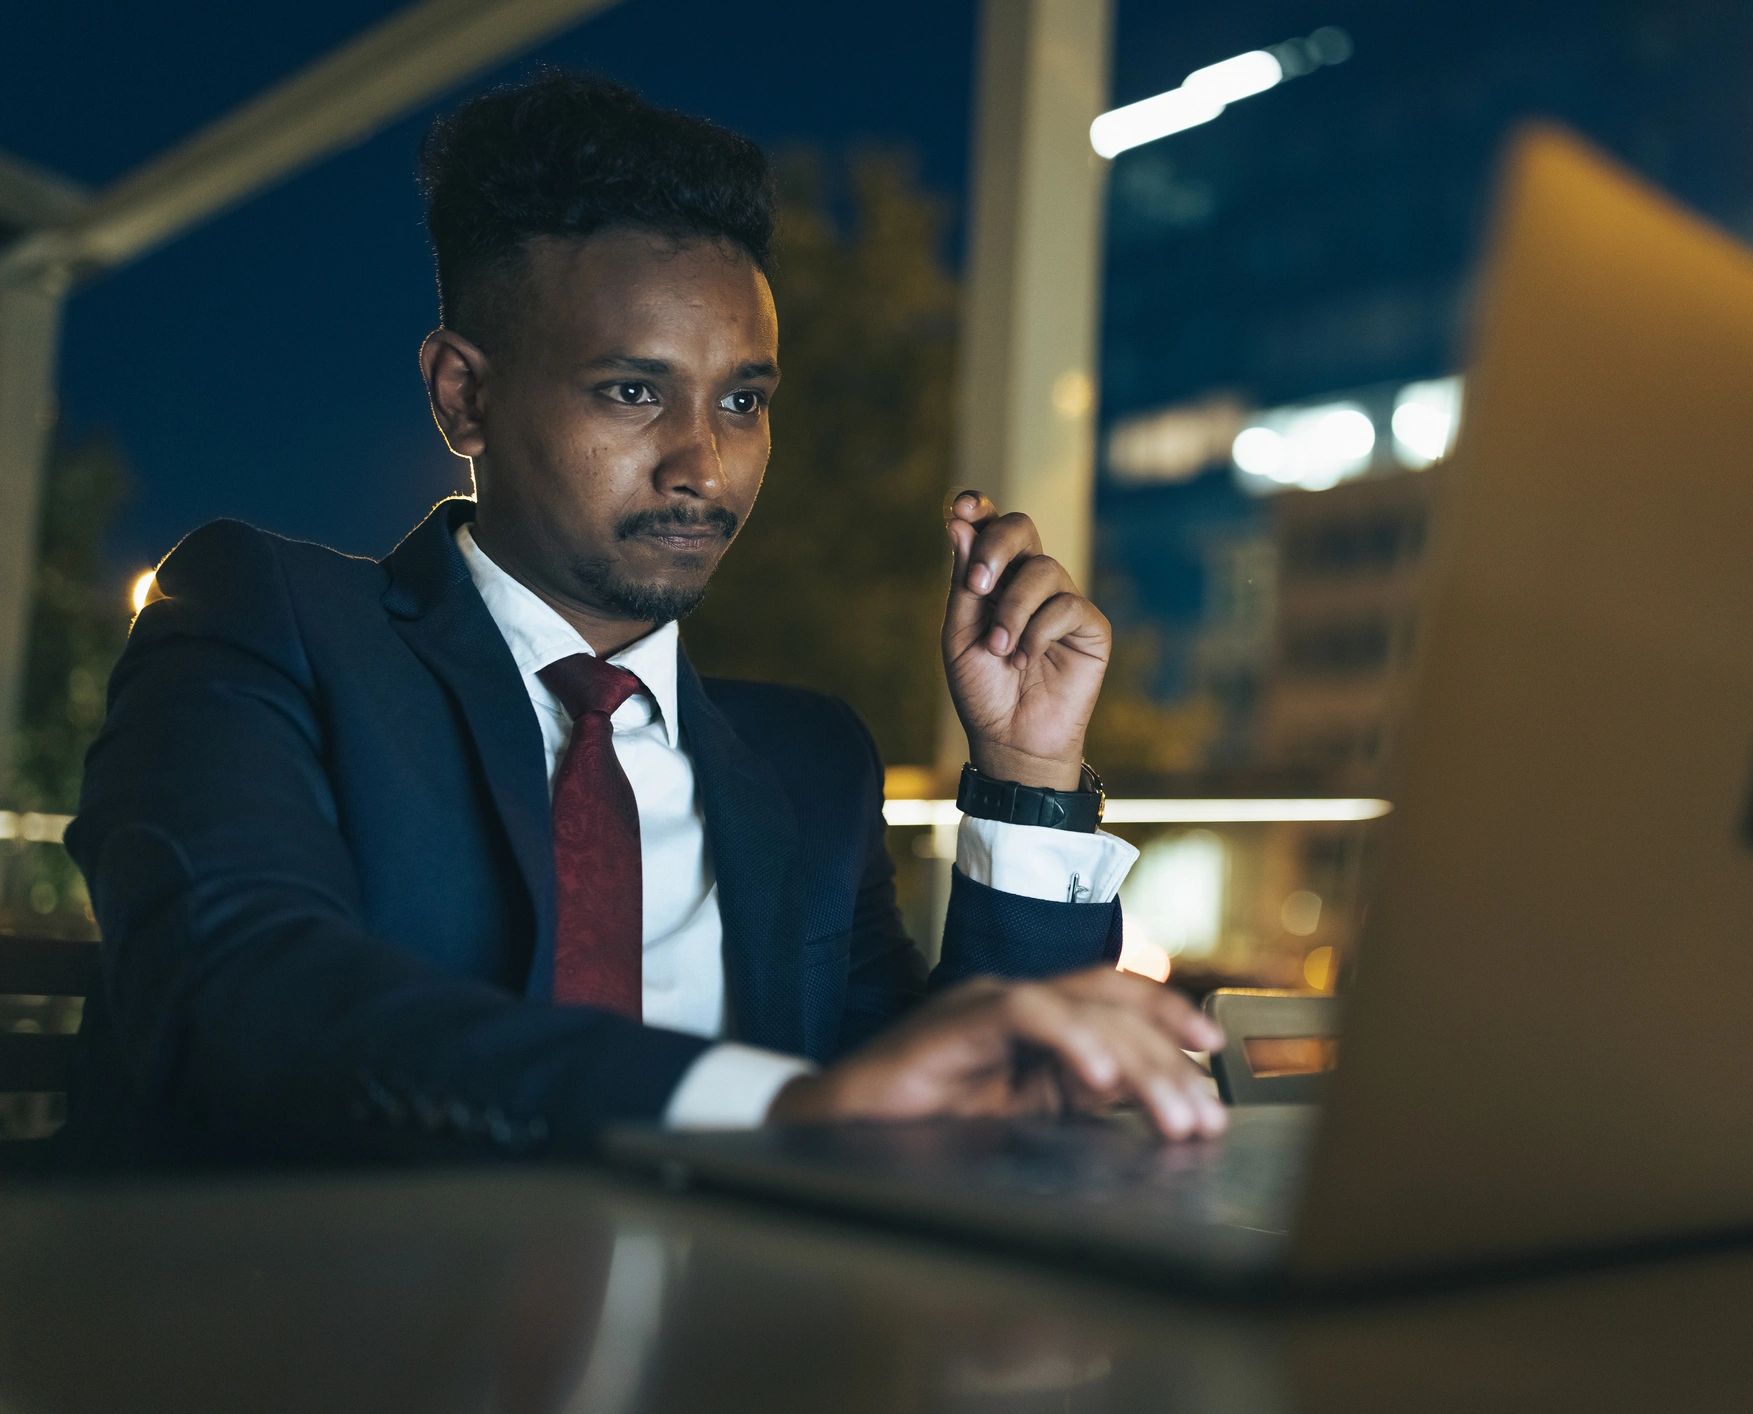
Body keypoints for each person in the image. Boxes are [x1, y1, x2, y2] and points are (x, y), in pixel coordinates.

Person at [58, 70, 1225, 1168]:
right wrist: (756, 1106)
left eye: (743, 401)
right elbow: (242, 994)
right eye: (632, 391)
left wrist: (1027, 774)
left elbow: (948, 1101)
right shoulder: (269, 622)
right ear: (463, 393)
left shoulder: (806, 764)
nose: (702, 464)